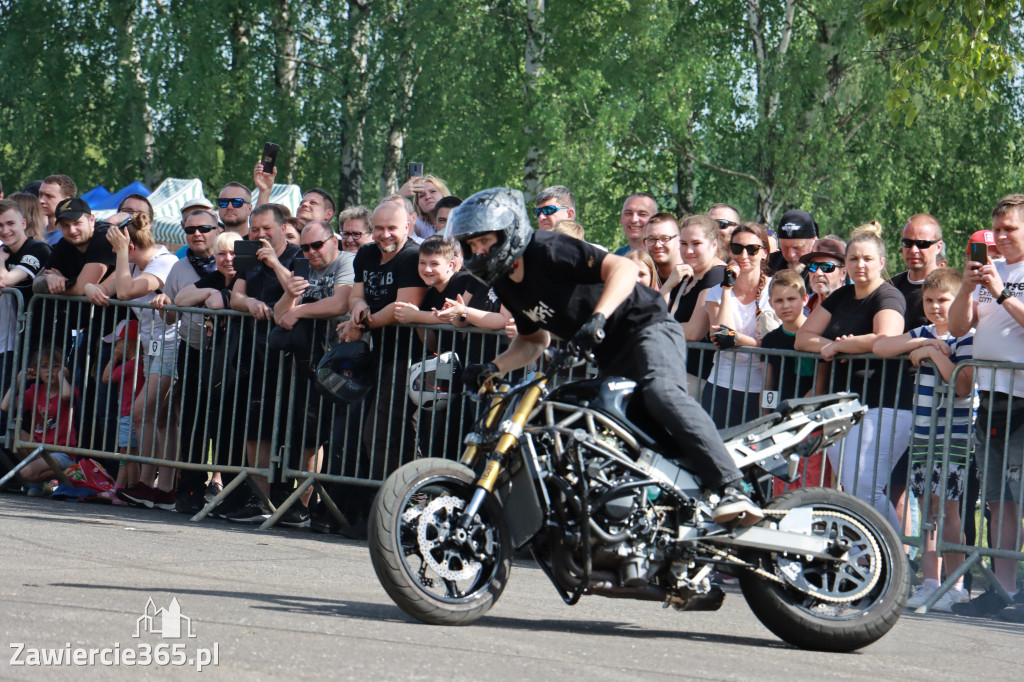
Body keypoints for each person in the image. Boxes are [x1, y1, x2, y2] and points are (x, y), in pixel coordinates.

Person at [449, 187, 761, 525]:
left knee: (661, 392)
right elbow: (532, 340)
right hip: (608, 354)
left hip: (646, 327)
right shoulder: (507, 282)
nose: (479, 250)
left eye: (485, 241)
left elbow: (624, 271)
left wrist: (598, 317)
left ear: (506, 233)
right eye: (472, 244)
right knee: (608, 431)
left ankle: (733, 486)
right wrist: (493, 367)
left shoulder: (547, 248)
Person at [875, 267, 974, 612]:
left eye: (943, 300)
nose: (935, 307)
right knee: (926, 506)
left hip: (955, 433)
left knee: (949, 507)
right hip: (923, 432)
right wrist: (922, 342)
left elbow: (962, 385)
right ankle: (930, 581)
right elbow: (883, 346)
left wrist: (933, 354)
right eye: (929, 300)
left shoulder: (967, 337)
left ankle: (956, 583)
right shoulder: (925, 332)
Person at [795, 231, 908, 529]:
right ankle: (874, 559)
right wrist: (832, 347)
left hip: (882, 404)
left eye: (868, 258)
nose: (861, 264)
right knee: (854, 487)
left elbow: (887, 338)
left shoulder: (888, 295)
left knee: (866, 487)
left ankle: (896, 559)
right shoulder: (842, 295)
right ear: (845, 263)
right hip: (841, 404)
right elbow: (803, 338)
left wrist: (842, 345)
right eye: (854, 258)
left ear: (881, 262)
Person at [948, 193, 1024, 620]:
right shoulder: (990, 271)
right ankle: (1004, 590)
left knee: (1021, 497)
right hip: (993, 397)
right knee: (999, 500)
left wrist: (1001, 292)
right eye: (997, 229)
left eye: (1010, 228)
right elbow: (958, 326)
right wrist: (968, 286)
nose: (1000, 237)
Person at [87, 212, 180, 511]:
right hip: (150, 348)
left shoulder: (163, 262)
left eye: (117, 250)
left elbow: (125, 291)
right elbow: (104, 289)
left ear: (128, 247)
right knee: (162, 420)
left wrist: (121, 255)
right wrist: (90, 288)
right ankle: (162, 490)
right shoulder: (135, 263)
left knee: (143, 414)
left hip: (170, 346)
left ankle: (147, 484)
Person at [227, 203, 303, 524]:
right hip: (254, 354)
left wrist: (274, 264)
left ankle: (297, 505)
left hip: (292, 356)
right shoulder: (247, 253)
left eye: (265, 229)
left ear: (283, 228)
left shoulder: (299, 254)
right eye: (254, 229)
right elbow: (235, 297)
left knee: (294, 431)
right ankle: (259, 501)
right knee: (255, 428)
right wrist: (251, 302)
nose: (258, 235)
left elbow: (298, 290)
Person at [151, 209, 224, 513]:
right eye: (190, 230)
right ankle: (191, 487)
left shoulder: (230, 260)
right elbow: (170, 317)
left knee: (225, 421)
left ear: (216, 230)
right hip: (192, 348)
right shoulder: (180, 267)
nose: (196, 234)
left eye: (204, 228)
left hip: (227, 352)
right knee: (192, 420)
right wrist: (162, 305)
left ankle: (227, 488)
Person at [702, 223, 773, 429]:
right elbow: (721, 336)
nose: (744, 255)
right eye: (737, 248)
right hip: (721, 385)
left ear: (765, 253)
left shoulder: (776, 289)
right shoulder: (716, 291)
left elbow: (778, 342)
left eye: (752, 249)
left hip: (761, 388)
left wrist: (737, 339)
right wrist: (726, 288)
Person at [660, 214, 727, 394]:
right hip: (674, 372)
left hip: (697, 379)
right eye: (683, 244)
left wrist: (656, 328)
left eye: (696, 244)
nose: (689, 251)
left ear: (714, 245)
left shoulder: (717, 275)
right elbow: (656, 313)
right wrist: (667, 285)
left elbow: (693, 332)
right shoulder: (684, 275)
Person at [0, 347, 79, 495]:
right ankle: (41, 483)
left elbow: (67, 396)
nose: (50, 371)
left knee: (25, 473)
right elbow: (5, 406)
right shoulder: (35, 390)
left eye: (56, 367)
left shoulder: (69, 390)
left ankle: (54, 478)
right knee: (13, 436)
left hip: (61, 452)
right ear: (36, 371)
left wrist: (62, 376)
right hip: (40, 449)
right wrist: (19, 381)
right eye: (44, 367)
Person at [0, 200, 51, 384]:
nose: (5, 230)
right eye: (0, 225)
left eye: (10, 223)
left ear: (23, 223)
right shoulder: (4, 251)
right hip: (19, 337)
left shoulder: (37, 249)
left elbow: (5, 280)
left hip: (46, 336)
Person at [101, 320, 145, 492]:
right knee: (128, 453)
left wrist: (114, 358)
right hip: (132, 414)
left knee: (126, 453)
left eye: (117, 343)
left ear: (126, 345)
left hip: (129, 414)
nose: (115, 347)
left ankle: (123, 488)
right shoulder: (141, 363)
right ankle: (127, 488)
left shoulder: (129, 365)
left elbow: (105, 378)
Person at [798, 236, 847, 315]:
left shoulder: (855, 307)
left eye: (827, 267)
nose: (818, 273)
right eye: (813, 266)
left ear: (843, 273)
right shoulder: (802, 306)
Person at [400, 174, 451, 239]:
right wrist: (400, 195)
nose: (427, 197)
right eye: (422, 195)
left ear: (443, 194)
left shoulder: (458, 217)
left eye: (433, 191)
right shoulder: (418, 224)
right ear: (418, 205)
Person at [768, 208, 818, 274]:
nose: (790, 255)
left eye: (797, 248)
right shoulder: (769, 266)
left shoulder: (826, 269)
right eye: (785, 247)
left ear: (813, 242)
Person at [37, 174, 77, 246]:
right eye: (40, 195)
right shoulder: (36, 234)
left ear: (67, 201)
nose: (41, 200)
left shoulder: (72, 236)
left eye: (49, 196)